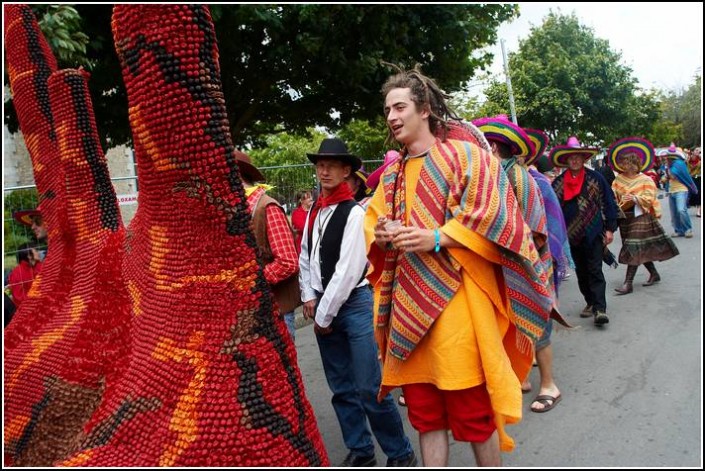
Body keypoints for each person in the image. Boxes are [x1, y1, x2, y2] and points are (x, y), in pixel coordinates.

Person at [365, 66, 553, 467]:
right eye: (387, 111)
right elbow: (374, 223)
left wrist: (437, 237)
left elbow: (498, 218)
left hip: (459, 308)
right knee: (426, 419)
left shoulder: (466, 157)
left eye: (400, 107)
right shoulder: (392, 174)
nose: (393, 117)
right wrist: (381, 233)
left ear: (425, 109)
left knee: (475, 417)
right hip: (407, 308)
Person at [299, 137, 416, 468]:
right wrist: (308, 294)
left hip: (352, 305)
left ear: (346, 170)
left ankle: (400, 452)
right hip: (325, 304)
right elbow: (305, 256)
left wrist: (323, 314)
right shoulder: (314, 213)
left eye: (331, 166)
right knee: (341, 387)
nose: (323, 171)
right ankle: (361, 448)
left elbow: (349, 270)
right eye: (320, 166)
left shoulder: (354, 213)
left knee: (369, 386)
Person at [522, 127, 572, 413]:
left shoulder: (536, 183)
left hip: (536, 263)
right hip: (507, 264)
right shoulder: (492, 182)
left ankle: (548, 384)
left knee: (540, 321)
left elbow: (550, 229)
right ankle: (521, 377)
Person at [551, 136, 619, 326]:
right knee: (581, 271)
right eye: (571, 158)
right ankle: (590, 301)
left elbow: (608, 202)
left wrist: (610, 229)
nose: (574, 160)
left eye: (578, 157)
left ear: (583, 159)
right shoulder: (557, 183)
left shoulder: (595, 178)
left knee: (595, 270)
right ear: (566, 160)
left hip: (593, 231)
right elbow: (552, 209)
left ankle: (600, 309)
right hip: (570, 236)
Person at [236, 150, 301, 340]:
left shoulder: (266, 207)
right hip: (252, 311)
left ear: (236, 174)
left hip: (275, 310)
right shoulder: (237, 209)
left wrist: (250, 281)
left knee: (282, 368)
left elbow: (288, 262)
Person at [607, 137, 679, 295]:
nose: (625, 166)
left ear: (635, 164)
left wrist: (634, 198)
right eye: (623, 163)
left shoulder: (645, 179)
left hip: (641, 217)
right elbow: (613, 198)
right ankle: (654, 273)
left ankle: (628, 283)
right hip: (625, 218)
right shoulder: (618, 180)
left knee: (633, 246)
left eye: (628, 163)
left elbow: (650, 197)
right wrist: (618, 203)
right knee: (637, 248)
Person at [661, 145, 698, 238]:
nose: (666, 159)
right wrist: (663, 178)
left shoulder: (679, 164)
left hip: (681, 190)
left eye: (667, 158)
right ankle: (679, 230)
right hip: (672, 191)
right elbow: (668, 178)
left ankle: (688, 229)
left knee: (681, 210)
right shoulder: (669, 166)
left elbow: (673, 175)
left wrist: (668, 171)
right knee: (674, 213)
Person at [7, 242, 43, 308]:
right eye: (36, 251)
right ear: (29, 255)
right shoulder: (16, 273)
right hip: (29, 310)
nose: (39, 253)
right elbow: (19, 299)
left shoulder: (40, 265)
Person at [291, 190, 313, 254]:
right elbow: (302, 227)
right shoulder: (296, 213)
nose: (311, 199)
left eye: (311, 197)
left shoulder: (314, 211)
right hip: (303, 247)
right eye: (308, 198)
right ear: (301, 201)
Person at [687, 147, 701, 217]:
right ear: (692, 151)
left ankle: (699, 211)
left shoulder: (700, 160)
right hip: (690, 179)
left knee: (699, 195)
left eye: (699, 151)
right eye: (696, 150)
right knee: (690, 195)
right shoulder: (688, 160)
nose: (698, 151)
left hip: (698, 178)